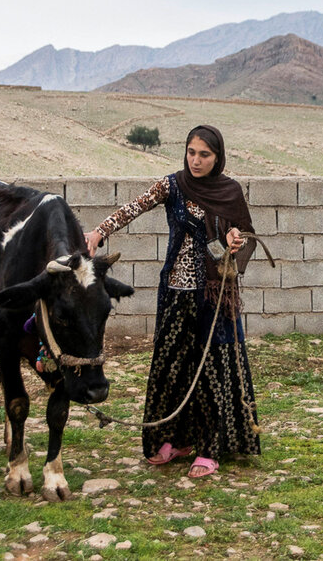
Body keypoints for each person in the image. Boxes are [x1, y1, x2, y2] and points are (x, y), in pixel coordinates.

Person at [84, 124, 261, 478]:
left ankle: (209, 448)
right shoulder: (173, 185)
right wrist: (100, 232)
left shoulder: (230, 192)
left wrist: (235, 241)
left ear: (217, 157)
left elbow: (247, 235)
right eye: (191, 152)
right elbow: (134, 206)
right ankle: (174, 441)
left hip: (214, 297)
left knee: (209, 369)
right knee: (170, 366)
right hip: (176, 293)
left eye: (204, 155)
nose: (196, 160)